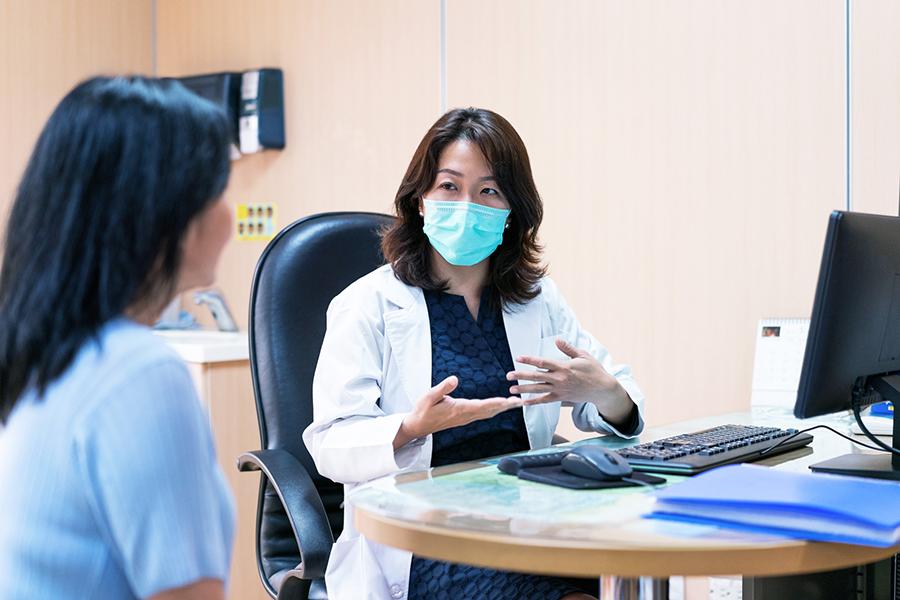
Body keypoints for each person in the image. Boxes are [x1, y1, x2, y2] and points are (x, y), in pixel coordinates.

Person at [303, 108, 645, 600]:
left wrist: (604, 392)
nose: (467, 204)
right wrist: (411, 428)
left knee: (625, 574)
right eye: (448, 186)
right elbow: (329, 443)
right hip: (428, 535)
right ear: (420, 200)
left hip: (532, 521)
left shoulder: (538, 301)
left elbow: (619, 399)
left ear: (511, 212)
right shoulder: (368, 304)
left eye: (489, 191)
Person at [0, 77, 235, 599]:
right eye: (220, 189)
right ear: (167, 212)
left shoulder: (47, 354)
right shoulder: (140, 374)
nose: (231, 214)